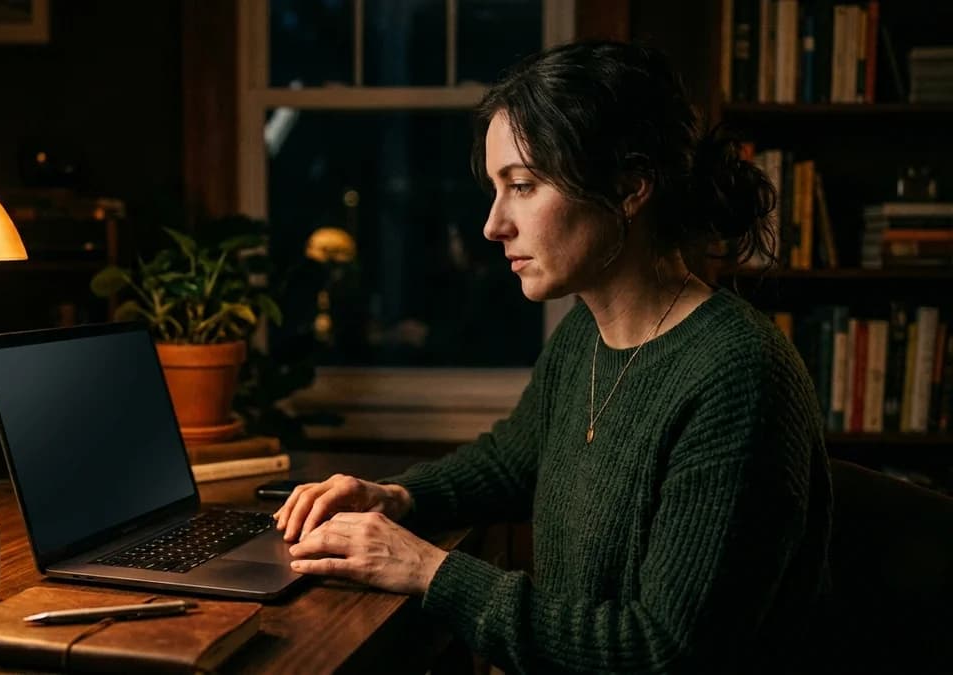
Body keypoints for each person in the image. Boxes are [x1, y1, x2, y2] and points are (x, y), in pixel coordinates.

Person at [275, 40, 832, 674]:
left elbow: (662, 652)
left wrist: (431, 571)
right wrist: (394, 495)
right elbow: (514, 460)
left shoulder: (738, 374)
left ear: (628, 189)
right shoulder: (584, 335)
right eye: (495, 188)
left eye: (523, 186)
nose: (493, 225)